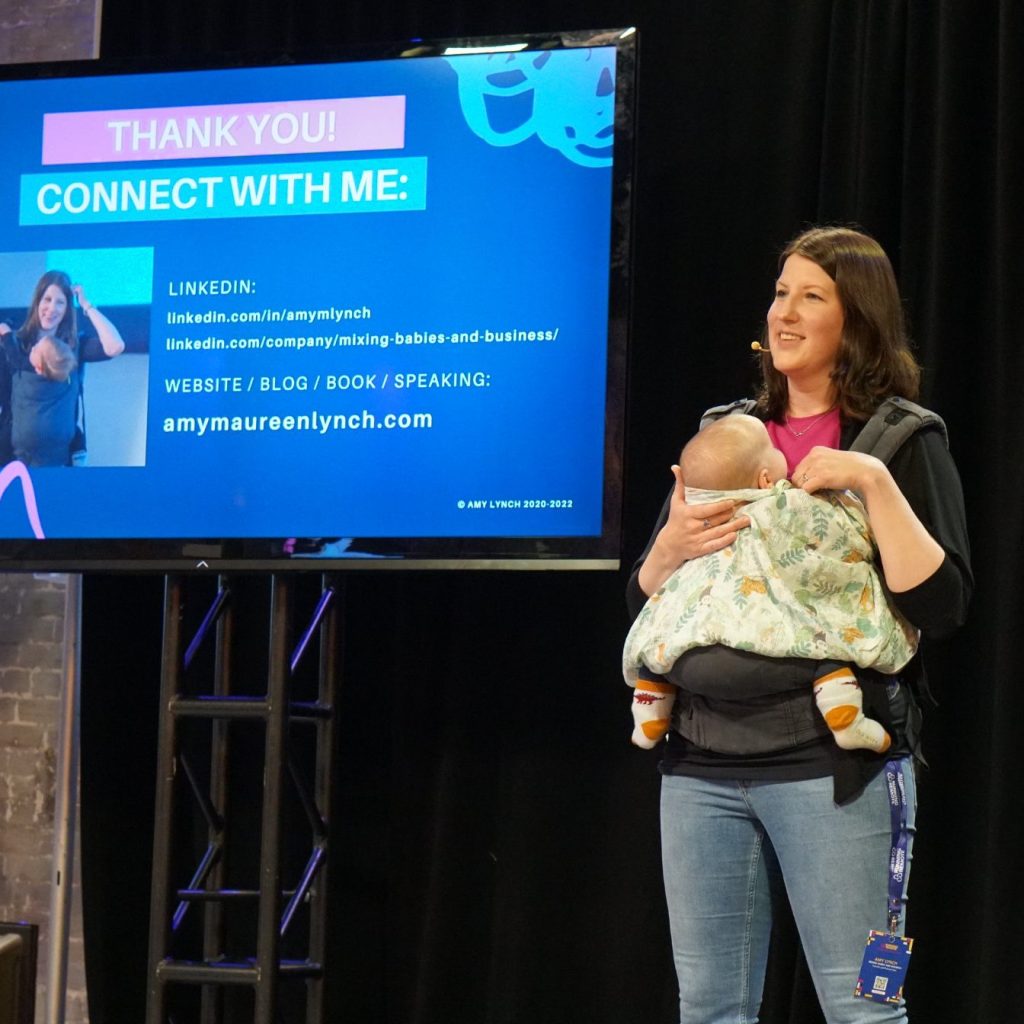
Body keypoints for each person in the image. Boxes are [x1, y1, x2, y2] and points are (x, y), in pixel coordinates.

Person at [627, 226, 971, 1023]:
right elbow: (651, 595)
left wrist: (874, 485)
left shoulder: (901, 440)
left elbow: (945, 607)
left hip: (837, 772)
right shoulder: (726, 432)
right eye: (781, 292)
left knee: (869, 1008)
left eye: (810, 296)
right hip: (699, 768)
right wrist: (668, 546)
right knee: (709, 1010)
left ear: (856, 320)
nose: (784, 312)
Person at [624, 413, 917, 755]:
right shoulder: (787, 502)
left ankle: (649, 709)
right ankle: (843, 711)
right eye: (774, 449)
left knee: (662, 628)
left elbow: (644, 606)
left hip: (696, 655)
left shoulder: (694, 513)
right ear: (765, 479)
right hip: (764, 645)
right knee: (825, 626)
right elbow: (844, 534)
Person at [0, 270, 125, 466]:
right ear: (37, 302)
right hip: (13, 460)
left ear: (68, 309)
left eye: (60, 302)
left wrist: (86, 305)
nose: (52, 309)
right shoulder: (15, 344)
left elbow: (115, 346)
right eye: (47, 299)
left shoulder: (74, 347)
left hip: (60, 461)